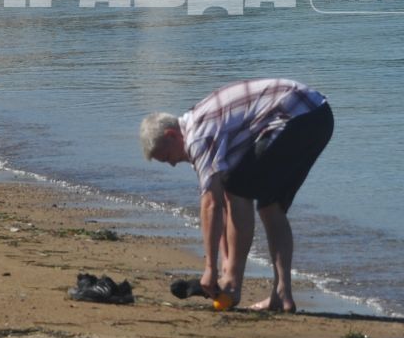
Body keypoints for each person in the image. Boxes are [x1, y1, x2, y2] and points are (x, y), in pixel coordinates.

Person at [141, 78, 333, 312]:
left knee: (239, 189)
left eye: (167, 156)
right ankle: (282, 295)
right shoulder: (198, 127)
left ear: (172, 135)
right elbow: (219, 200)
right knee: (269, 206)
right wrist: (221, 265)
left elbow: (211, 205)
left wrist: (211, 269)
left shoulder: (198, 137)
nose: (171, 164)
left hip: (298, 114)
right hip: (319, 116)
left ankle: (233, 281)